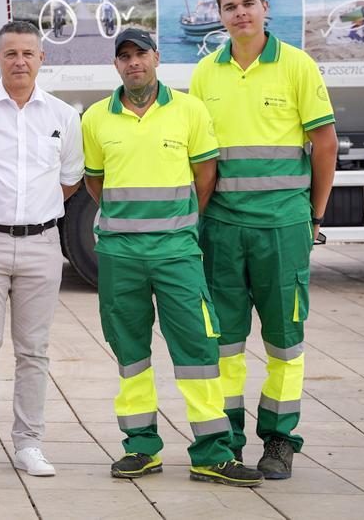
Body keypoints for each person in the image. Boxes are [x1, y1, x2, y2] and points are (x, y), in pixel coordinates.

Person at [82, 28, 264, 487]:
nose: (133, 62)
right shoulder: (96, 118)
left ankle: (212, 452)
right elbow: (95, 181)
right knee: (130, 354)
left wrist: (179, 223)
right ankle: (141, 448)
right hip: (120, 256)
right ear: (116, 65)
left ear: (156, 57)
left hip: (177, 254)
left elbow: (206, 175)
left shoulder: (189, 110)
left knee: (198, 350)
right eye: (124, 56)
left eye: (140, 53)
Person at [190, 0, 337, 480]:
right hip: (221, 229)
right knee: (224, 345)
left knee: (285, 341)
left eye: (248, 3)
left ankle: (279, 440)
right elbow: (200, 157)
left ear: (264, 6)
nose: (240, 13)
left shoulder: (297, 65)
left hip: (282, 227)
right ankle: (227, 442)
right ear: (219, 15)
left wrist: (314, 217)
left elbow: (325, 144)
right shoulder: (205, 73)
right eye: (230, 7)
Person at [0, 20, 84, 477]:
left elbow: (69, 179)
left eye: (28, 53)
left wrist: (35, 213)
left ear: (42, 57)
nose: (19, 61)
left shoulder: (63, 117)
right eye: (11, 54)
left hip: (43, 244)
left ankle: (29, 443)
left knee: (34, 350)